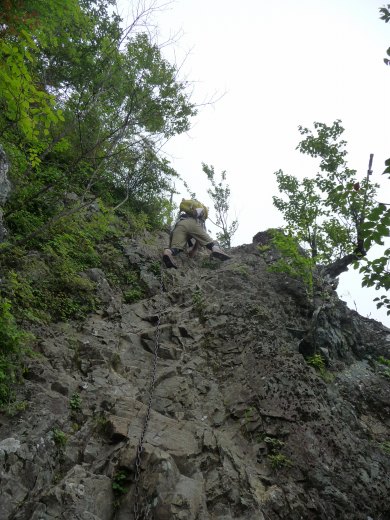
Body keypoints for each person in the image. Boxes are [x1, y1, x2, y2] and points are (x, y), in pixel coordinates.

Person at [163, 199, 231, 268]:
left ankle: (168, 252)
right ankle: (216, 249)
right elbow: (199, 238)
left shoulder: (183, 215)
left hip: (180, 224)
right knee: (211, 242)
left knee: (176, 248)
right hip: (193, 223)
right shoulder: (200, 220)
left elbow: (172, 236)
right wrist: (194, 250)